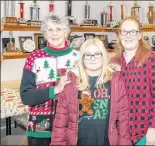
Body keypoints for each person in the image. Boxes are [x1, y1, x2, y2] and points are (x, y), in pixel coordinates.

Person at [50, 38, 131, 145]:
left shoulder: (116, 82)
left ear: (103, 56)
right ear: (82, 59)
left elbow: (124, 121)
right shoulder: (70, 84)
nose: (92, 58)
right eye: (87, 55)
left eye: (97, 54)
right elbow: (60, 125)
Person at [20, 13, 79, 146]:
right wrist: (55, 90)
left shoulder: (78, 57)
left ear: (66, 32)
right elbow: (26, 96)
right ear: (44, 33)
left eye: (59, 29)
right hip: (40, 131)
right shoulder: (34, 58)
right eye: (50, 30)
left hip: (69, 129)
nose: (54, 33)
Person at [112, 17, 155, 145]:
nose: (128, 36)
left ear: (139, 35)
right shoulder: (114, 62)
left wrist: (153, 128)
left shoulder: (152, 60)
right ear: (120, 35)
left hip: (144, 130)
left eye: (133, 32)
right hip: (121, 130)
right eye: (124, 32)